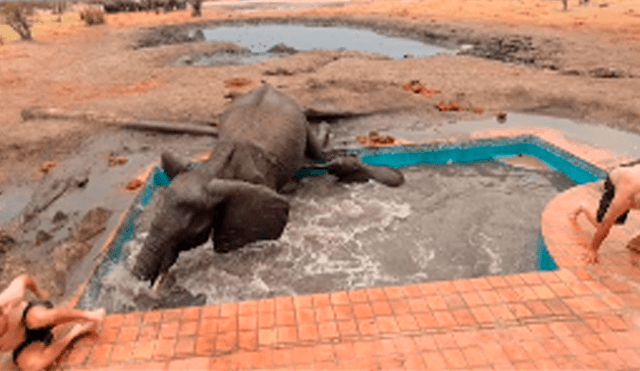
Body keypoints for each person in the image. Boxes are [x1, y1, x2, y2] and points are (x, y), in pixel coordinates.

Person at [0, 274, 105, 371]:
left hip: (33, 315)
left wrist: (39, 292)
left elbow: (25, 278)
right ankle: (74, 332)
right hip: (27, 343)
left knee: (36, 319)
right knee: (32, 365)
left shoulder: (6, 300)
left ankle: (87, 315)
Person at [570, 160, 640, 263]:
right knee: (600, 224)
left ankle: (636, 242)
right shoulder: (627, 193)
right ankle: (583, 206)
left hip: (634, 170)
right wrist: (593, 249)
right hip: (617, 179)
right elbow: (606, 223)